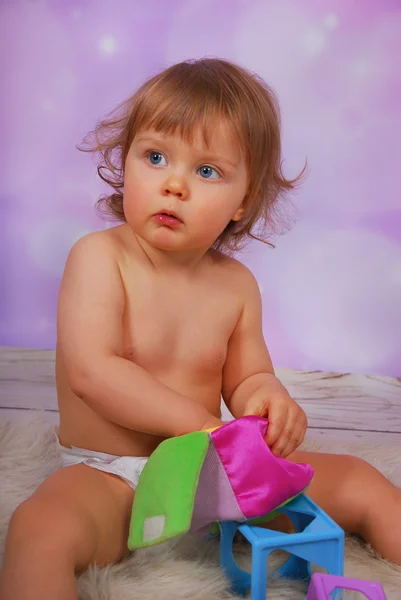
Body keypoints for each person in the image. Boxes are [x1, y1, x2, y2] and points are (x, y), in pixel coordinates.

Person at [1, 58, 400, 600]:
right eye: (156, 156)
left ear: (243, 202)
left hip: (216, 473)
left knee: (358, 479)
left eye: (207, 171)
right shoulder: (100, 258)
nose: (174, 184)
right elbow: (93, 372)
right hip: (114, 478)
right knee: (40, 527)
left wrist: (270, 399)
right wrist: (200, 424)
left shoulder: (236, 284)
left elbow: (247, 376)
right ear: (126, 162)